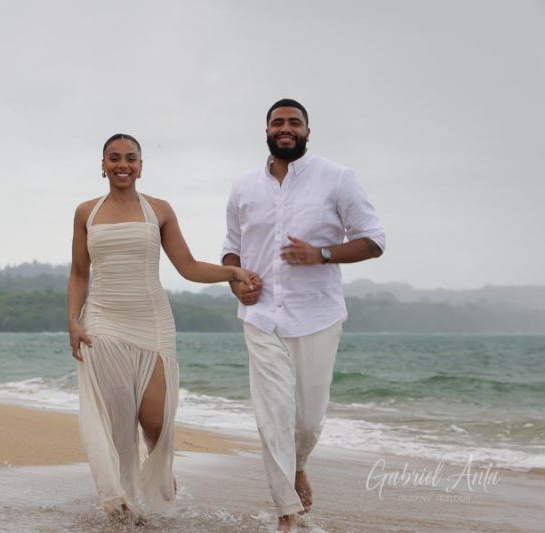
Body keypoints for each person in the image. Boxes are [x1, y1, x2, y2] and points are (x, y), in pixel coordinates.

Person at [68, 133, 260, 522]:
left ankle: (157, 485)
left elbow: (187, 266)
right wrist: (72, 320)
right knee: (118, 420)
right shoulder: (86, 212)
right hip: (102, 321)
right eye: (115, 158)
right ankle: (120, 503)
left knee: (155, 421)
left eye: (131, 158)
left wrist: (231, 271)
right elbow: (78, 272)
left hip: (152, 322)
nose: (123, 165)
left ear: (141, 165)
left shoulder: (159, 210)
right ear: (102, 164)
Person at [221, 99, 385, 532]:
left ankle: (298, 466)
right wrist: (235, 279)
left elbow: (374, 241)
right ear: (267, 131)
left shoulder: (337, 179)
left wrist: (322, 254)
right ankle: (286, 515)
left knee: (307, 421)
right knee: (272, 415)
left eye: (295, 122)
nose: (286, 128)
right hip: (259, 317)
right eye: (278, 122)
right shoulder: (242, 186)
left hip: (317, 316)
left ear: (308, 132)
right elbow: (231, 246)